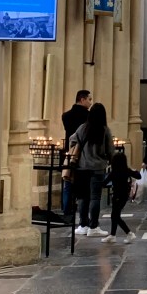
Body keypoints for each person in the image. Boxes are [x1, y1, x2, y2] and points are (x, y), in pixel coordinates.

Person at [69, 101, 114, 237]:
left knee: (83, 197)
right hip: (97, 168)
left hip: (82, 167)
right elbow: (110, 150)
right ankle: (93, 226)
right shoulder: (104, 130)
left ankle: (83, 225)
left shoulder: (82, 128)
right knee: (95, 197)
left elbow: (72, 140)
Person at [61, 89, 92, 220]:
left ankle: (67, 210)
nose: (90, 102)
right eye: (89, 99)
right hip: (84, 154)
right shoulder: (88, 117)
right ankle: (84, 214)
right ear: (82, 99)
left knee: (68, 182)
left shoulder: (66, 116)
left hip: (70, 153)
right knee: (84, 186)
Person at [102, 152, 141, 244]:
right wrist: (134, 170)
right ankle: (112, 235)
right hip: (124, 196)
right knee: (115, 215)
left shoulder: (114, 172)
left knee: (115, 216)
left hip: (117, 196)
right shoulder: (127, 170)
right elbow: (138, 176)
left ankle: (129, 233)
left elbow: (104, 183)